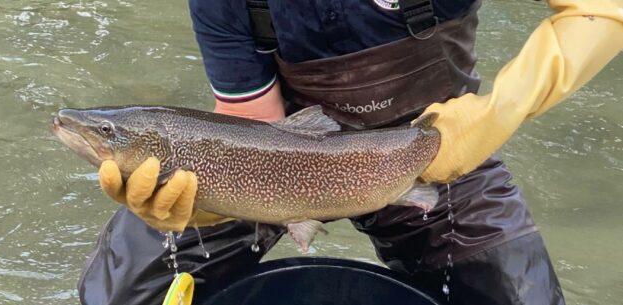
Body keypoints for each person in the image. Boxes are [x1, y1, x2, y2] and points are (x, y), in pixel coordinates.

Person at [78, 0, 623, 304]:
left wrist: (501, 108)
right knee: (121, 293)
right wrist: (211, 200)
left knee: (519, 297)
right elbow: (252, 125)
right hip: (279, 160)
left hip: (440, 148)